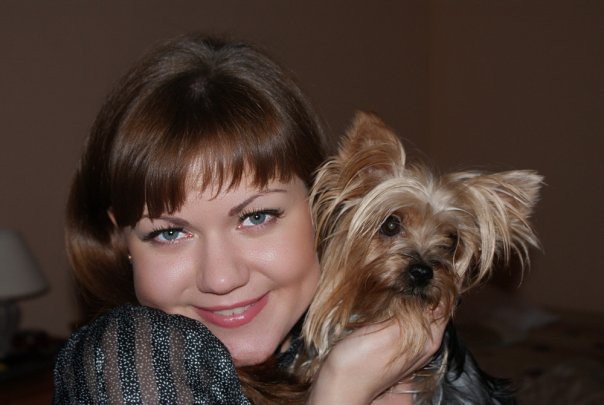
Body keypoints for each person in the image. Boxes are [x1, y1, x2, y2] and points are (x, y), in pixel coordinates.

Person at [53, 33, 446, 404]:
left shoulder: (391, 330)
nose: (221, 279)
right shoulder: (127, 359)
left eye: (257, 217)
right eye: (169, 233)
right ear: (121, 238)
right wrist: (342, 388)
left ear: (325, 204)